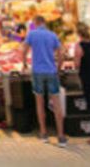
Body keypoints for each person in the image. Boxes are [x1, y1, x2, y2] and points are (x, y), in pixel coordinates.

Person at [23, 15, 67, 147]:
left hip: (37, 72)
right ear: (44, 22)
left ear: (36, 22)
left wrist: (24, 64)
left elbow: (24, 50)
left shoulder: (32, 34)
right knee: (56, 103)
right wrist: (58, 67)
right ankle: (61, 136)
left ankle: (43, 133)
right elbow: (61, 53)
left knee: (40, 102)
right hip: (51, 71)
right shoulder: (52, 35)